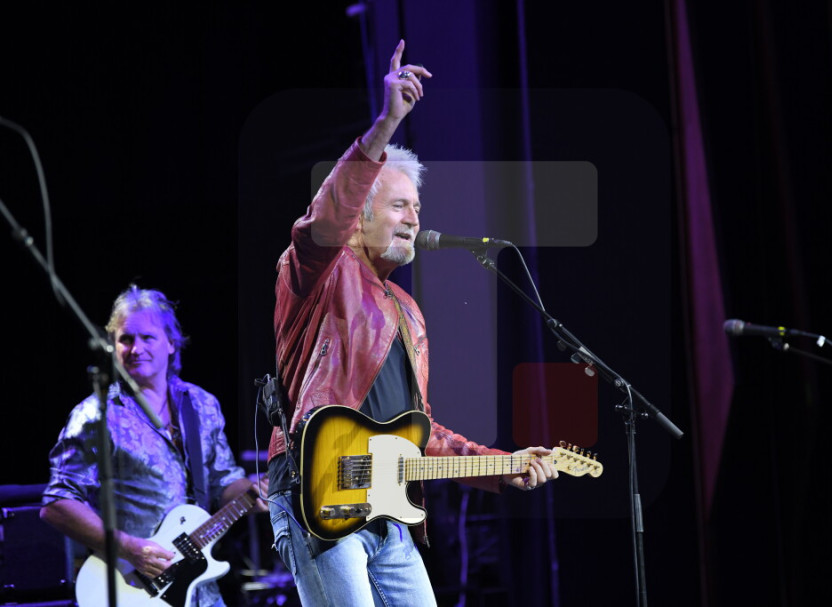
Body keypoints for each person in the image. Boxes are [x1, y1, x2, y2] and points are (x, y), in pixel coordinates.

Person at [266, 39, 558, 606]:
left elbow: (420, 434)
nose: (414, 219)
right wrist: (386, 125)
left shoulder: (407, 310)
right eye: (400, 206)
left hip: (388, 511)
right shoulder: (315, 270)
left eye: (417, 208)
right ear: (360, 214)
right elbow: (325, 215)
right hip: (316, 493)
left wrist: (503, 466)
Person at [40, 286, 268, 607]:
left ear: (171, 343)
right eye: (126, 339)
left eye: (147, 338)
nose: (136, 349)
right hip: (131, 587)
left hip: (200, 590)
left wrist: (253, 492)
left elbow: (223, 481)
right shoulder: (95, 415)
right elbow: (57, 503)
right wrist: (129, 548)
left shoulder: (201, 404)